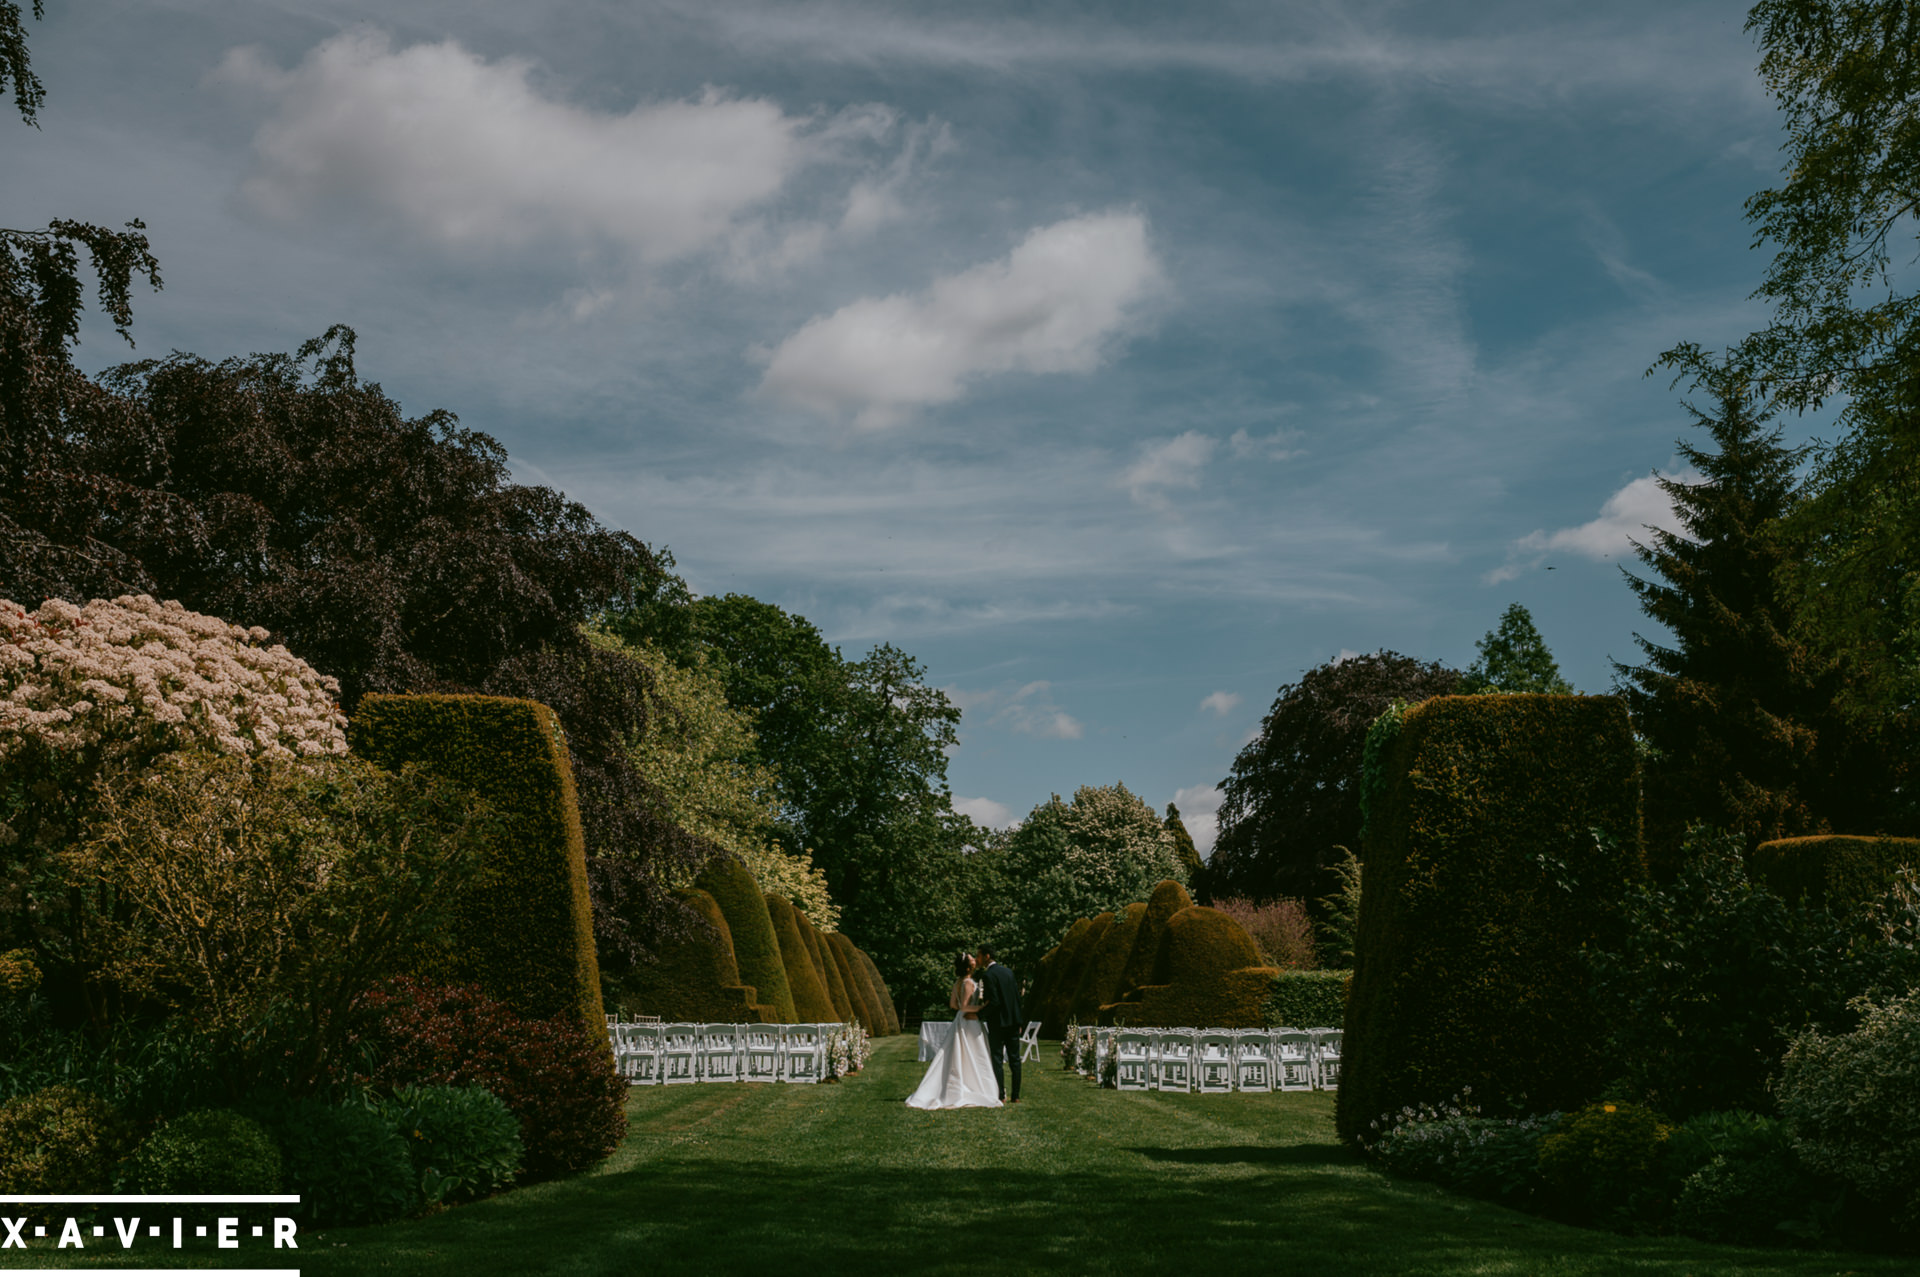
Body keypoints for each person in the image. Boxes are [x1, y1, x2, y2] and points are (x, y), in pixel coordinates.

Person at [904, 952, 1003, 1110]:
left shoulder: (958, 982)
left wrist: (966, 1009)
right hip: (970, 1023)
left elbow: (953, 1005)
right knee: (975, 1055)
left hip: (960, 1020)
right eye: (972, 959)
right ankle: (978, 1087)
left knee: (958, 1055)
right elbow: (964, 1006)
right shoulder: (969, 983)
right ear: (969, 966)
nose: (975, 961)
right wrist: (981, 1008)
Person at [974, 944, 1022, 1104]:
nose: (977, 959)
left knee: (997, 1059)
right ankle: (1016, 1096)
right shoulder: (1008, 972)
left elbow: (994, 1002)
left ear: (987, 956)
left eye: (979, 955)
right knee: (1015, 1060)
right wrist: (1019, 1020)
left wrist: (979, 1014)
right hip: (1013, 1023)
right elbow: (1016, 999)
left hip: (998, 1024)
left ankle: (1001, 1094)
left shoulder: (988, 976)